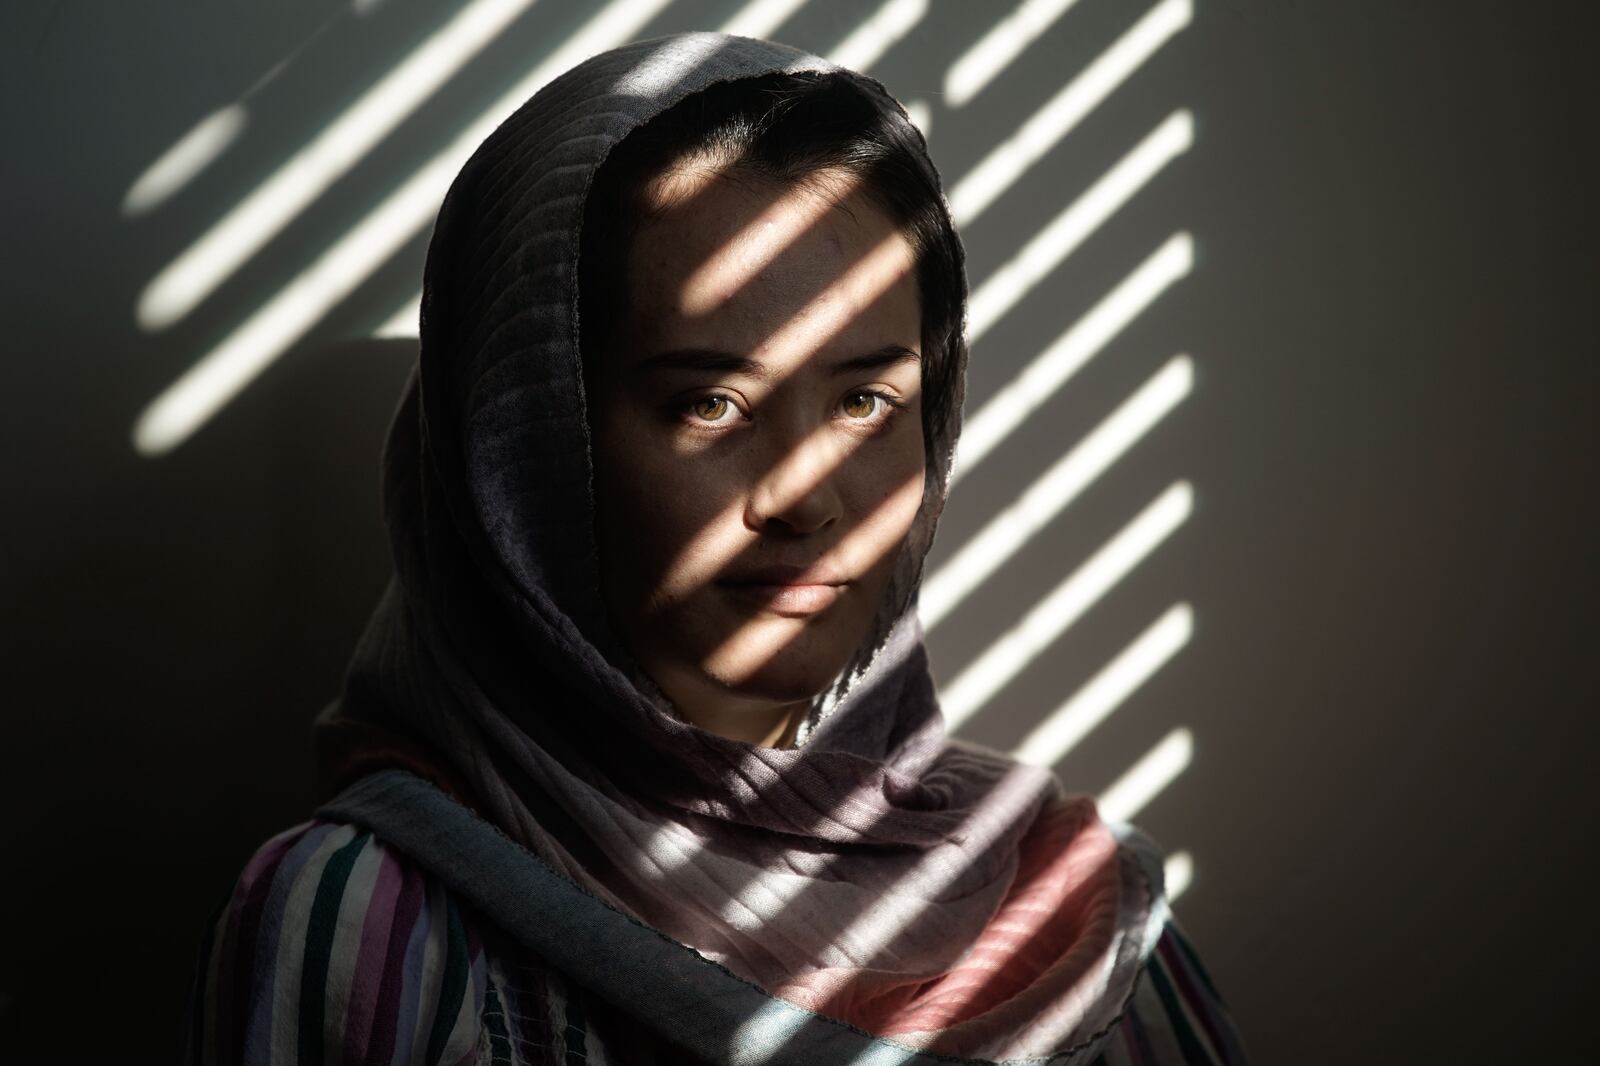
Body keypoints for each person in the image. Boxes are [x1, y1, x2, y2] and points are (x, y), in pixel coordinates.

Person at [181, 32, 1248, 1065]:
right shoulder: (375, 928)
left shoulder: (1077, 923)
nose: (804, 495)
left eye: (866, 400)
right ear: (530, 449)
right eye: (711, 403)